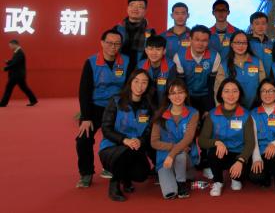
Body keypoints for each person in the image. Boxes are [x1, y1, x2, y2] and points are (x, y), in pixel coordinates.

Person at [76, 29, 130, 188]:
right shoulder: (91, 62)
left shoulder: (126, 61)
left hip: (117, 108)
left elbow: (129, 86)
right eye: (109, 43)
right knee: (83, 139)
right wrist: (86, 117)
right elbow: (84, 91)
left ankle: (115, 169)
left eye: (117, 44)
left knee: (121, 138)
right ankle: (86, 173)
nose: (113, 47)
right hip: (95, 107)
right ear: (102, 43)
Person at [98, 69, 155, 201]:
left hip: (135, 147)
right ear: (130, 82)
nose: (139, 86)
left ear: (148, 85)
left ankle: (126, 177)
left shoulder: (149, 106)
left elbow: (149, 131)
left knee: (142, 175)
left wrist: (141, 140)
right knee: (126, 152)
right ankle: (114, 183)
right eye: (136, 81)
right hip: (112, 148)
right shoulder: (116, 101)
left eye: (144, 82)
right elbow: (106, 128)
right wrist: (125, 140)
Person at [199, 78, 255, 197]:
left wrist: (241, 160)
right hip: (220, 153)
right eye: (226, 91)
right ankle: (218, 181)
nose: (231, 95)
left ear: (239, 94)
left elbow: (250, 142)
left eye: (235, 91)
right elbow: (202, 141)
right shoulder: (212, 114)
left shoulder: (246, 115)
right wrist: (217, 142)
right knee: (213, 152)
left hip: (238, 154)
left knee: (244, 176)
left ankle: (235, 178)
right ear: (221, 94)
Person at [151, 79, 199, 200]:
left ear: (186, 94)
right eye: (173, 93)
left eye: (180, 92)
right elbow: (154, 142)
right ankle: (173, 177)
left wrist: (172, 154)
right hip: (165, 159)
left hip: (185, 159)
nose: (177, 96)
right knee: (170, 193)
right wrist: (173, 149)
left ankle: (181, 183)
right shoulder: (160, 114)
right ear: (168, 96)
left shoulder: (193, 113)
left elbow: (188, 138)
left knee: (181, 155)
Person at [249, 79, 275, 194]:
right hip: (261, 151)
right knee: (255, 177)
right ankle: (267, 173)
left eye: (271, 91)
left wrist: (273, 144)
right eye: (264, 91)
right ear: (259, 93)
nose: (267, 94)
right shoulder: (253, 113)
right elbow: (253, 139)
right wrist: (256, 159)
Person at [173, 25, 220, 118]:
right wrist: (185, 106)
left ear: (208, 42)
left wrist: (209, 108)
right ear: (190, 39)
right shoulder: (179, 57)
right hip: (187, 95)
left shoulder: (215, 56)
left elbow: (212, 85)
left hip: (207, 95)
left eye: (204, 40)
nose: (200, 44)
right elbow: (181, 85)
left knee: (208, 119)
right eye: (197, 40)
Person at [215, 31, 266, 109]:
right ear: (231, 44)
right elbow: (218, 89)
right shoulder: (224, 65)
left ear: (247, 45)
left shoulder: (257, 62)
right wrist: (220, 109)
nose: (241, 45)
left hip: (255, 107)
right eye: (237, 42)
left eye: (244, 43)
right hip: (232, 108)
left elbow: (263, 86)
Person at [114, 0, 155, 71]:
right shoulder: (117, 29)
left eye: (140, 6)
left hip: (141, 71)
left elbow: (152, 55)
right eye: (132, 5)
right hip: (118, 69)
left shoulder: (150, 31)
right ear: (127, 8)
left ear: (145, 11)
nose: (135, 9)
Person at [137, 35, 177, 105]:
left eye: (158, 49)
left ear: (164, 51)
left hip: (164, 104)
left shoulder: (171, 66)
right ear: (146, 50)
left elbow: (172, 91)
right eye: (151, 49)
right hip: (144, 104)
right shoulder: (140, 66)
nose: (154, 53)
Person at [1, 39, 37, 107]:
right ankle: (33, 100)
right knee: (24, 88)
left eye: (10, 45)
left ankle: (3, 103)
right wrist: (8, 62)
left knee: (9, 88)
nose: (10, 47)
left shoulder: (20, 53)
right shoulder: (17, 52)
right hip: (18, 75)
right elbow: (15, 61)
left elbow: (15, 63)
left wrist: (5, 68)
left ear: (15, 44)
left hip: (17, 75)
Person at [248, 12, 275, 76]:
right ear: (251, 26)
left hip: (268, 80)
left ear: (267, 26)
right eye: (257, 23)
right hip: (250, 78)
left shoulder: (272, 44)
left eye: (263, 23)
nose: (260, 26)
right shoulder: (246, 43)